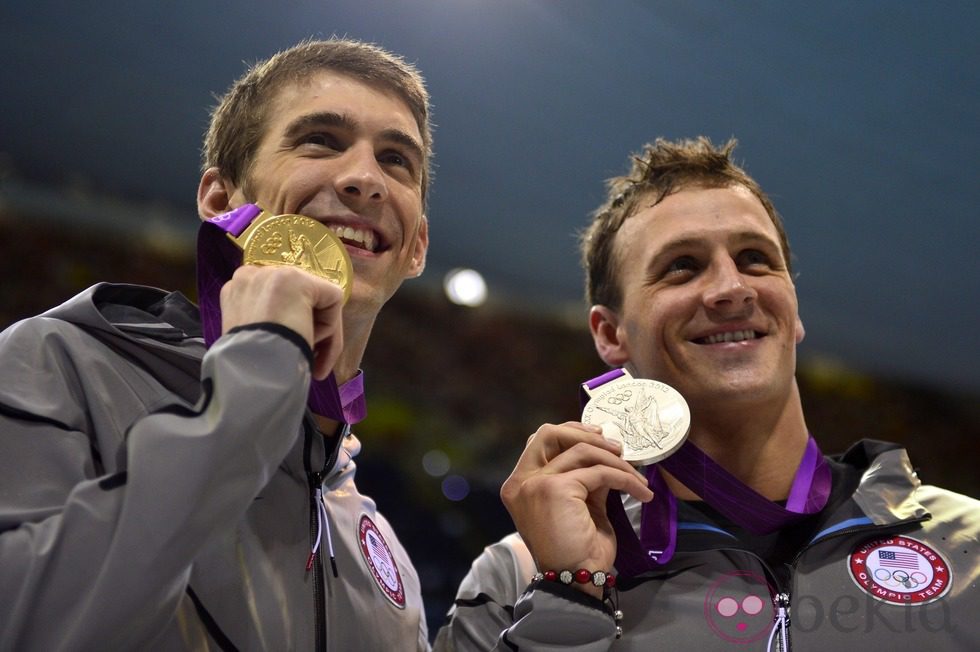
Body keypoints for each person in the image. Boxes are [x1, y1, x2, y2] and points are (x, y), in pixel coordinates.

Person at [434, 137, 979, 650]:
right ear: (609, 334)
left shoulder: (968, 546)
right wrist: (571, 594)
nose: (731, 289)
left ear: (794, 309)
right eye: (682, 267)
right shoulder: (518, 578)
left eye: (754, 259)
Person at [1, 38, 432, 650]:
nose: (365, 179)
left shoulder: (382, 551)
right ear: (220, 199)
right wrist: (253, 382)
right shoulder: (58, 364)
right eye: (321, 141)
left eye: (396, 161)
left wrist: (563, 599)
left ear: (417, 246)